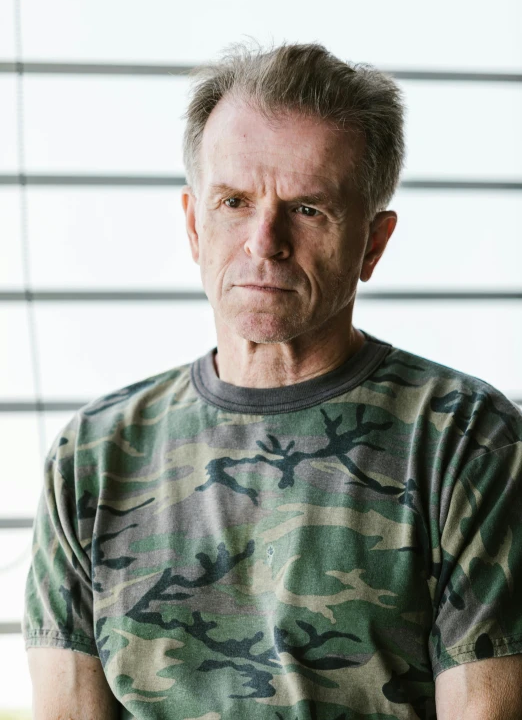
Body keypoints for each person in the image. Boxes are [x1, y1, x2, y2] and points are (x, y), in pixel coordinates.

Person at [23, 41, 522, 720]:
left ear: (373, 242)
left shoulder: (464, 438)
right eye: (232, 201)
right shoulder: (93, 457)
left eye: (309, 208)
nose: (265, 241)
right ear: (195, 225)